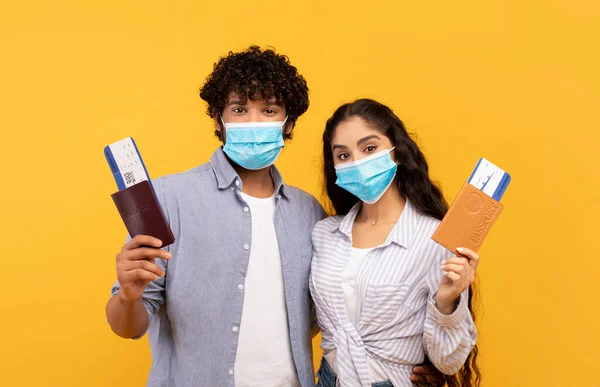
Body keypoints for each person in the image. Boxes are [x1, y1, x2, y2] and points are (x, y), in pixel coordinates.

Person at [105, 46, 446, 387]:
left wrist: (410, 362)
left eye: (269, 110)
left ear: (288, 123)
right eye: (239, 109)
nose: (253, 122)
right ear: (218, 120)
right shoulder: (168, 199)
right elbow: (127, 326)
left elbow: (346, 307)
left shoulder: (308, 213)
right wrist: (127, 298)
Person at [310, 99, 481, 387]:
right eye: (343, 155)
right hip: (329, 379)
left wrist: (446, 302)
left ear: (396, 152)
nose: (358, 162)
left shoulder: (434, 239)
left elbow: (449, 362)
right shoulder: (324, 234)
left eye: (369, 148)